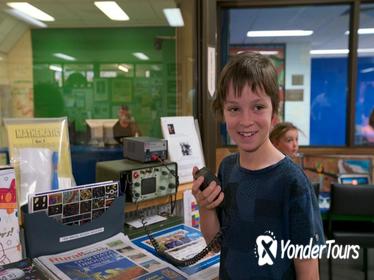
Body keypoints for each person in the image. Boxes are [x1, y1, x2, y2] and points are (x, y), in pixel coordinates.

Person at [192, 52, 324, 279]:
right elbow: (215, 245)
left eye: (258, 107)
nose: (245, 121)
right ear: (223, 113)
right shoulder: (227, 168)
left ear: (274, 115)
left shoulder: (292, 182)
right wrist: (205, 206)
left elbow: (308, 269)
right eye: (234, 109)